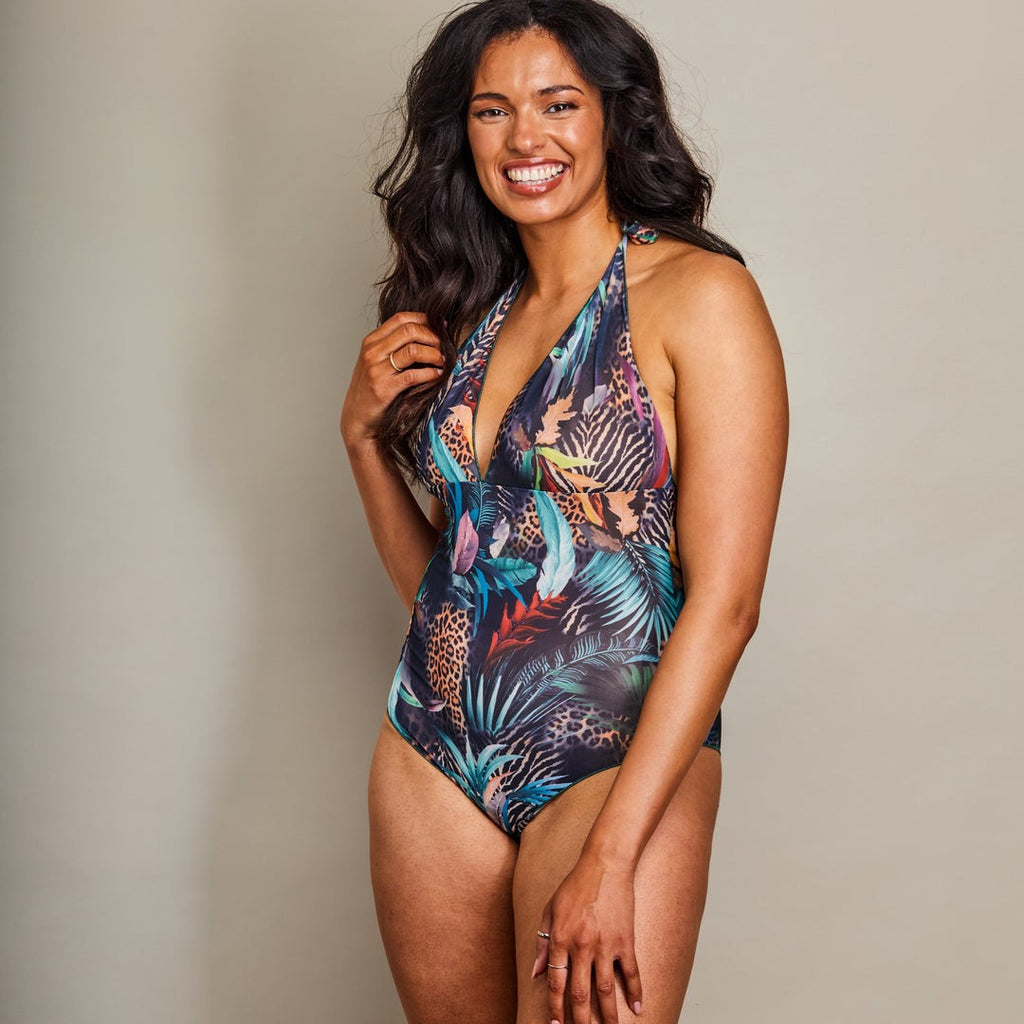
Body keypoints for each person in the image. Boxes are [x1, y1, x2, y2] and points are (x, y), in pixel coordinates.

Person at [340, 1, 788, 1020]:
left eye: (556, 103)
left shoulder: (697, 295)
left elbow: (726, 604)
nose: (524, 137)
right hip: (433, 749)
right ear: (464, 133)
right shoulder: (467, 308)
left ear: (611, 118)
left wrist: (613, 854)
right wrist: (362, 441)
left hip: (614, 756)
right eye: (492, 110)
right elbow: (455, 590)